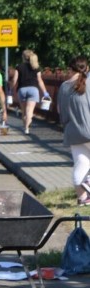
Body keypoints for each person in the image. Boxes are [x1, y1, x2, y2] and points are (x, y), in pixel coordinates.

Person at [57, 56, 90, 206]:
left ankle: (83, 199)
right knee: (83, 165)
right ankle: (88, 183)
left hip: (72, 132)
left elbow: (61, 112)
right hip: (88, 130)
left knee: (81, 164)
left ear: (71, 69)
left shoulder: (64, 86)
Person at [10, 49, 50, 135]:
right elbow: (40, 81)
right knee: (30, 111)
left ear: (23, 57)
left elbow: (14, 79)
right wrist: (45, 92)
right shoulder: (36, 67)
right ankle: (27, 128)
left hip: (22, 90)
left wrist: (11, 89)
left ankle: (25, 127)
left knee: (24, 111)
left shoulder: (19, 67)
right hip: (33, 90)